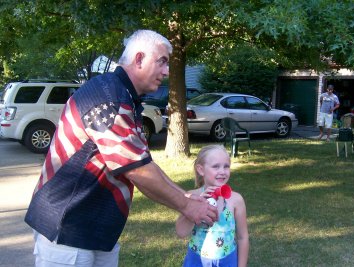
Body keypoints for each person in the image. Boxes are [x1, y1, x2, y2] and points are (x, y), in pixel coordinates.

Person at [24, 29, 218, 267]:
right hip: (67, 230)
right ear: (139, 59)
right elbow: (136, 170)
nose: (167, 72)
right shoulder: (110, 99)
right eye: (162, 62)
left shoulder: (123, 95)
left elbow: (143, 162)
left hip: (95, 230)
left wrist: (183, 194)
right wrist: (187, 206)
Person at [176, 145, 249, 267]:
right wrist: (196, 206)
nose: (222, 171)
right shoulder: (192, 196)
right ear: (201, 169)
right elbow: (181, 232)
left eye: (226, 166)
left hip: (227, 261)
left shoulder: (236, 200)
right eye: (216, 166)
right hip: (196, 260)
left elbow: (243, 237)